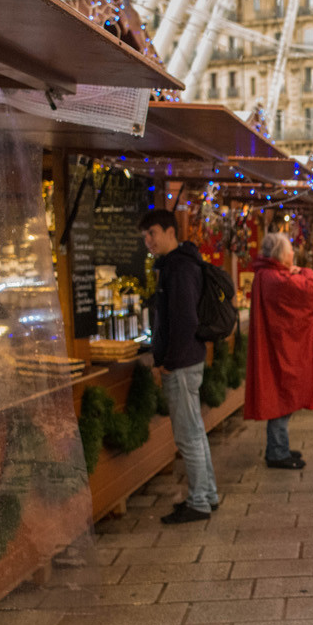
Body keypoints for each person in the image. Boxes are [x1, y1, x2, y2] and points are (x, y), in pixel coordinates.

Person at [139, 209, 220, 524]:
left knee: (188, 435)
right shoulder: (177, 264)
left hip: (182, 364)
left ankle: (199, 501)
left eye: (153, 233)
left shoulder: (179, 267)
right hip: (187, 360)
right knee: (195, 432)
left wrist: (168, 364)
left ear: (170, 232)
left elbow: (185, 320)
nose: (148, 240)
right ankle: (207, 495)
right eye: (145, 236)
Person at [245, 233, 313, 470]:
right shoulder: (276, 278)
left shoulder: (265, 275)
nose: (293, 253)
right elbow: (312, 290)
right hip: (281, 350)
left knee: (280, 398)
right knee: (281, 399)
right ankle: (277, 453)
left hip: (276, 347)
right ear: (280, 254)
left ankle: (278, 447)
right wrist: (305, 272)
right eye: (290, 249)